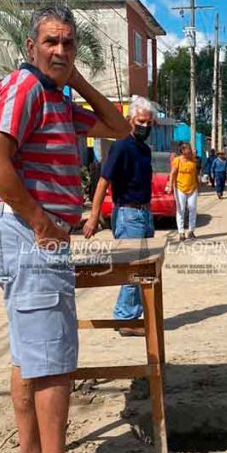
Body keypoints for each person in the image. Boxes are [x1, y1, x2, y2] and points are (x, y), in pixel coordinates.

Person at [0, 4, 131, 453]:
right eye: (51, 43)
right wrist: (42, 222)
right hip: (32, 237)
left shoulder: (53, 96)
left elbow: (119, 127)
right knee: (55, 362)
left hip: (28, 236)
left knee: (29, 357)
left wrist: (75, 79)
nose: (61, 51)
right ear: (30, 46)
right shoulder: (25, 88)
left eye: (68, 43)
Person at [84, 95, 158, 337]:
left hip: (144, 214)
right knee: (132, 269)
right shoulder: (121, 146)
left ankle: (131, 315)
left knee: (143, 270)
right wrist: (94, 216)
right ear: (129, 119)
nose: (144, 126)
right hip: (128, 214)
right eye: (140, 121)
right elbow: (103, 181)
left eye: (149, 123)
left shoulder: (145, 150)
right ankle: (125, 317)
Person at [167, 142, 199, 240]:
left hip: (192, 187)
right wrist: (170, 186)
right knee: (181, 209)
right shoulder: (177, 160)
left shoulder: (193, 159)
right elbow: (172, 173)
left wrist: (198, 183)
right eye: (187, 151)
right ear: (182, 151)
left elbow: (195, 173)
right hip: (180, 188)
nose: (189, 152)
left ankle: (191, 231)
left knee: (192, 209)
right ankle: (181, 232)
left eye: (190, 150)